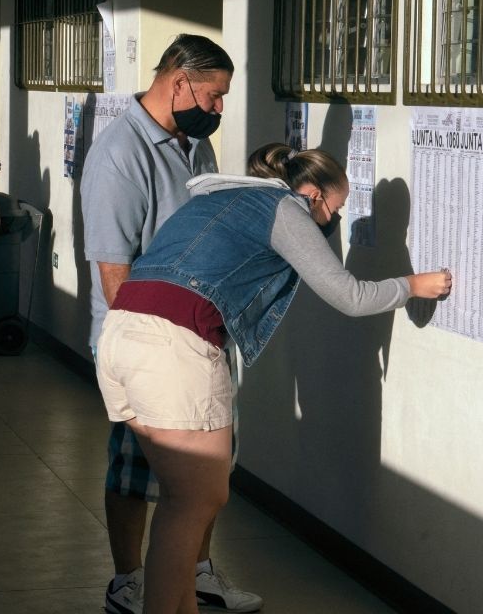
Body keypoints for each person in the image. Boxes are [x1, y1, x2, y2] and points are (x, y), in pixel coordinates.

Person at [96, 144, 453, 614]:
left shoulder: (217, 198)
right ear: (312, 193)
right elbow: (348, 295)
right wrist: (413, 286)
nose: (333, 221)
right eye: (335, 209)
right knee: (196, 501)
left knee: (182, 502)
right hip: (173, 349)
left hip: (121, 335)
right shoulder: (287, 209)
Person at [80, 34, 260, 614]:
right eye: (213, 96)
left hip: (199, 335)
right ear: (178, 81)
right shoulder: (120, 154)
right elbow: (115, 275)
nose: (219, 109)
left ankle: (198, 571)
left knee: (208, 471)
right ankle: (128, 579)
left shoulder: (194, 143)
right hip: (149, 345)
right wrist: (160, 345)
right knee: (136, 470)